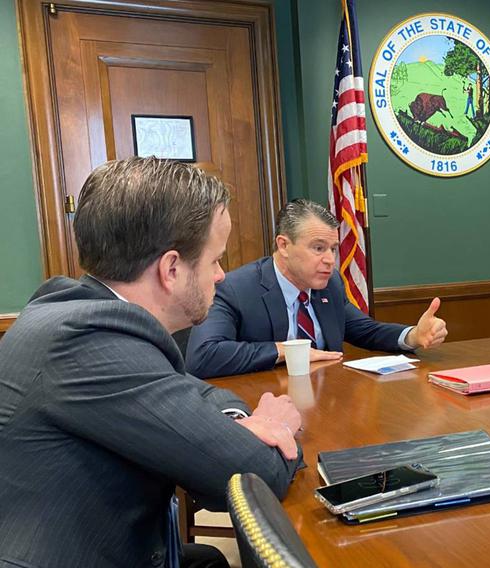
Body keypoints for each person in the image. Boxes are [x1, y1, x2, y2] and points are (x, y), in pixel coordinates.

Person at [0, 157, 304, 568]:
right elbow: (255, 474)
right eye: (215, 260)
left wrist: (233, 422)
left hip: (114, 542)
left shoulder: (78, 311)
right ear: (172, 269)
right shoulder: (92, 342)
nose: (221, 276)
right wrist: (278, 423)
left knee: (209, 561)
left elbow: (196, 390)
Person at [186, 198, 448, 379]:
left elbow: (365, 330)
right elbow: (203, 356)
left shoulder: (330, 284)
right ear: (284, 245)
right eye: (318, 248)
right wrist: (286, 350)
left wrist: (412, 336)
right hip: (265, 406)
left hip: (328, 403)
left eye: (333, 249)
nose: (330, 260)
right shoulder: (236, 288)